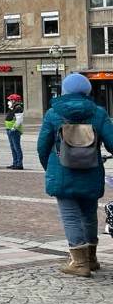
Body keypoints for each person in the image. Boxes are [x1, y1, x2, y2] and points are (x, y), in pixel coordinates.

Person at [37, 73, 113, 277]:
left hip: (62, 173)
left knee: (70, 216)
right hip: (91, 171)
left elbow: (42, 147)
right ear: (87, 91)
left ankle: (79, 263)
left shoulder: (53, 113)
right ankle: (91, 258)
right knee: (89, 214)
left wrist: (51, 167)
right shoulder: (98, 113)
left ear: (65, 91)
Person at [5, 93, 25, 170]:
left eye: (10, 100)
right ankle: (15, 163)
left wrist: (14, 128)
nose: (9, 101)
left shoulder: (18, 108)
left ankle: (19, 164)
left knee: (17, 147)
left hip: (14, 130)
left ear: (14, 100)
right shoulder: (13, 107)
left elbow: (19, 120)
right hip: (10, 129)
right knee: (13, 147)